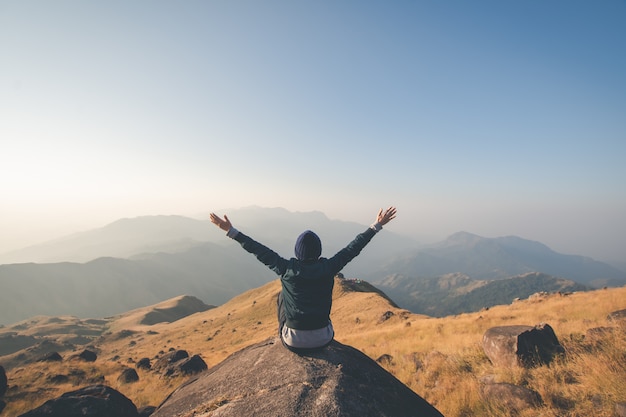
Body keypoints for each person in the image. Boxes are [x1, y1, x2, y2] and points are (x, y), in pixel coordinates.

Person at [209, 206, 397, 351]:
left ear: (297, 252)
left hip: (293, 340)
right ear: (319, 251)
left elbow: (258, 250)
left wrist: (231, 231)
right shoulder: (328, 268)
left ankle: (287, 331)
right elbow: (353, 248)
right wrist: (376, 225)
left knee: (282, 296)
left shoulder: (286, 268)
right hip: (324, 338)